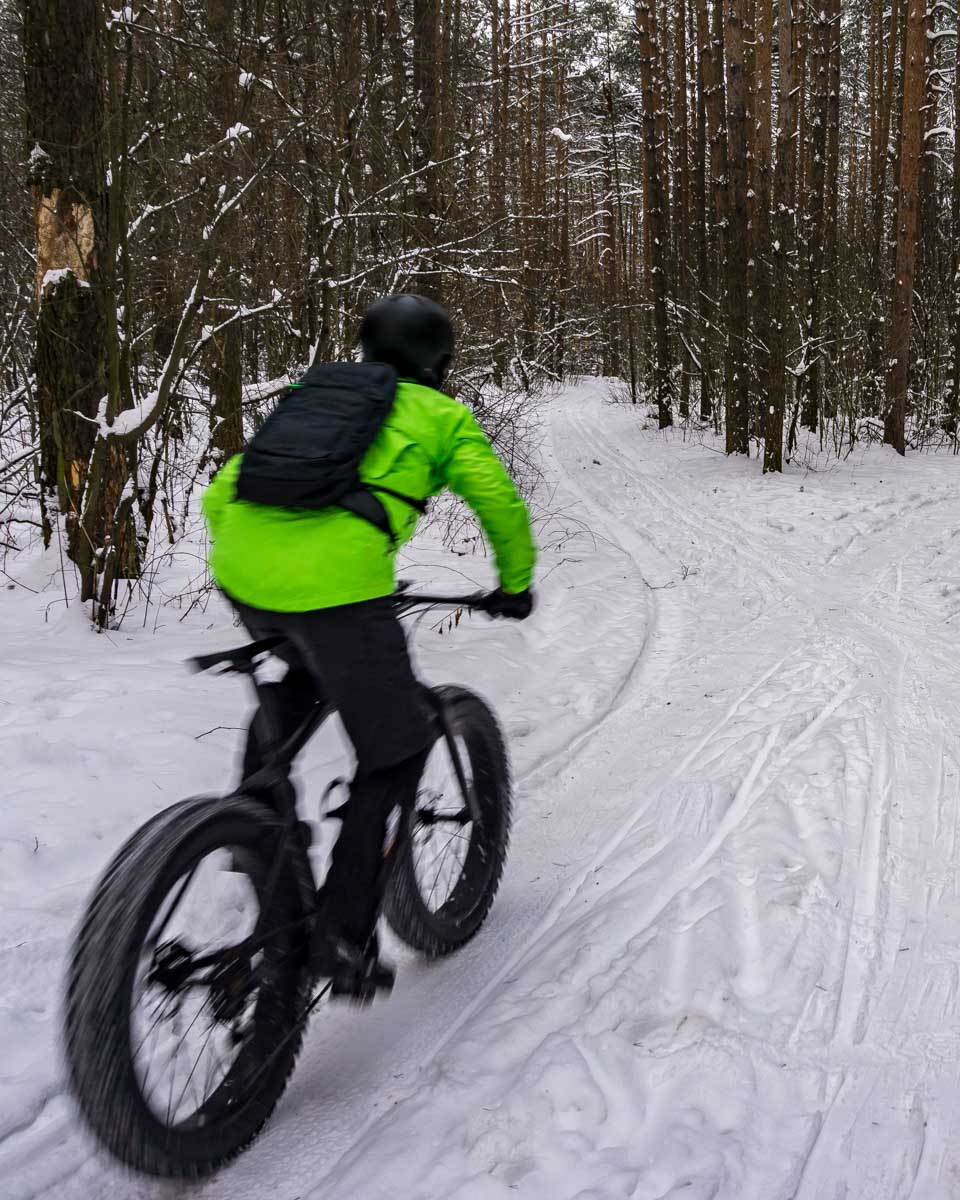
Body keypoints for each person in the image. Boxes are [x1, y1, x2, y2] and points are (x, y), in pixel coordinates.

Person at [202, 294, 536, 995]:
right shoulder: (439, 415)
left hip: (244, 572)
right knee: (398, 746)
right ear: (439, 363)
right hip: (342, 589)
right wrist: (514, 582)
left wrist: (268, 558)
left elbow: (223, 489)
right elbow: (496, 500)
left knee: (295, 682)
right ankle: (342, 938)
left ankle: (258, 831)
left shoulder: (315, 394)